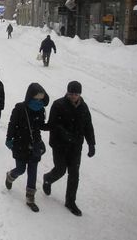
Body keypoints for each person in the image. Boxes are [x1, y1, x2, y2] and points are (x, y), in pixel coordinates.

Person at [42, 80, 96, 217]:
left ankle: (70, 201)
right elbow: (53, 124)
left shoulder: (84, 107)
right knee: (60, 170)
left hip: (76, 146)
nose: (73, 96)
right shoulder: (58, 104)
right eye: (71, 93)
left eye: (76, 94)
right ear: (67, 92)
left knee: (74, 174)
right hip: (60, 145)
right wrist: (64, 133)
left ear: (80, 94)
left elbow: (88, 126)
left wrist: (91, 144)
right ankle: (48, 178)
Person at [5, 83, 50, 212]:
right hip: (20, 143)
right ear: (30, 96)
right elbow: (12, 124)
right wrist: (9, 138)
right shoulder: (20, 108)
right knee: (20, 169)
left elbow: (40, 126)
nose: (38, 100)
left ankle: (30, 198)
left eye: (40, 98)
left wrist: (53, 125)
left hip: (35, 144)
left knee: (33, 171)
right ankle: (10, 176)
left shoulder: (41, 109)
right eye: (36, 98)